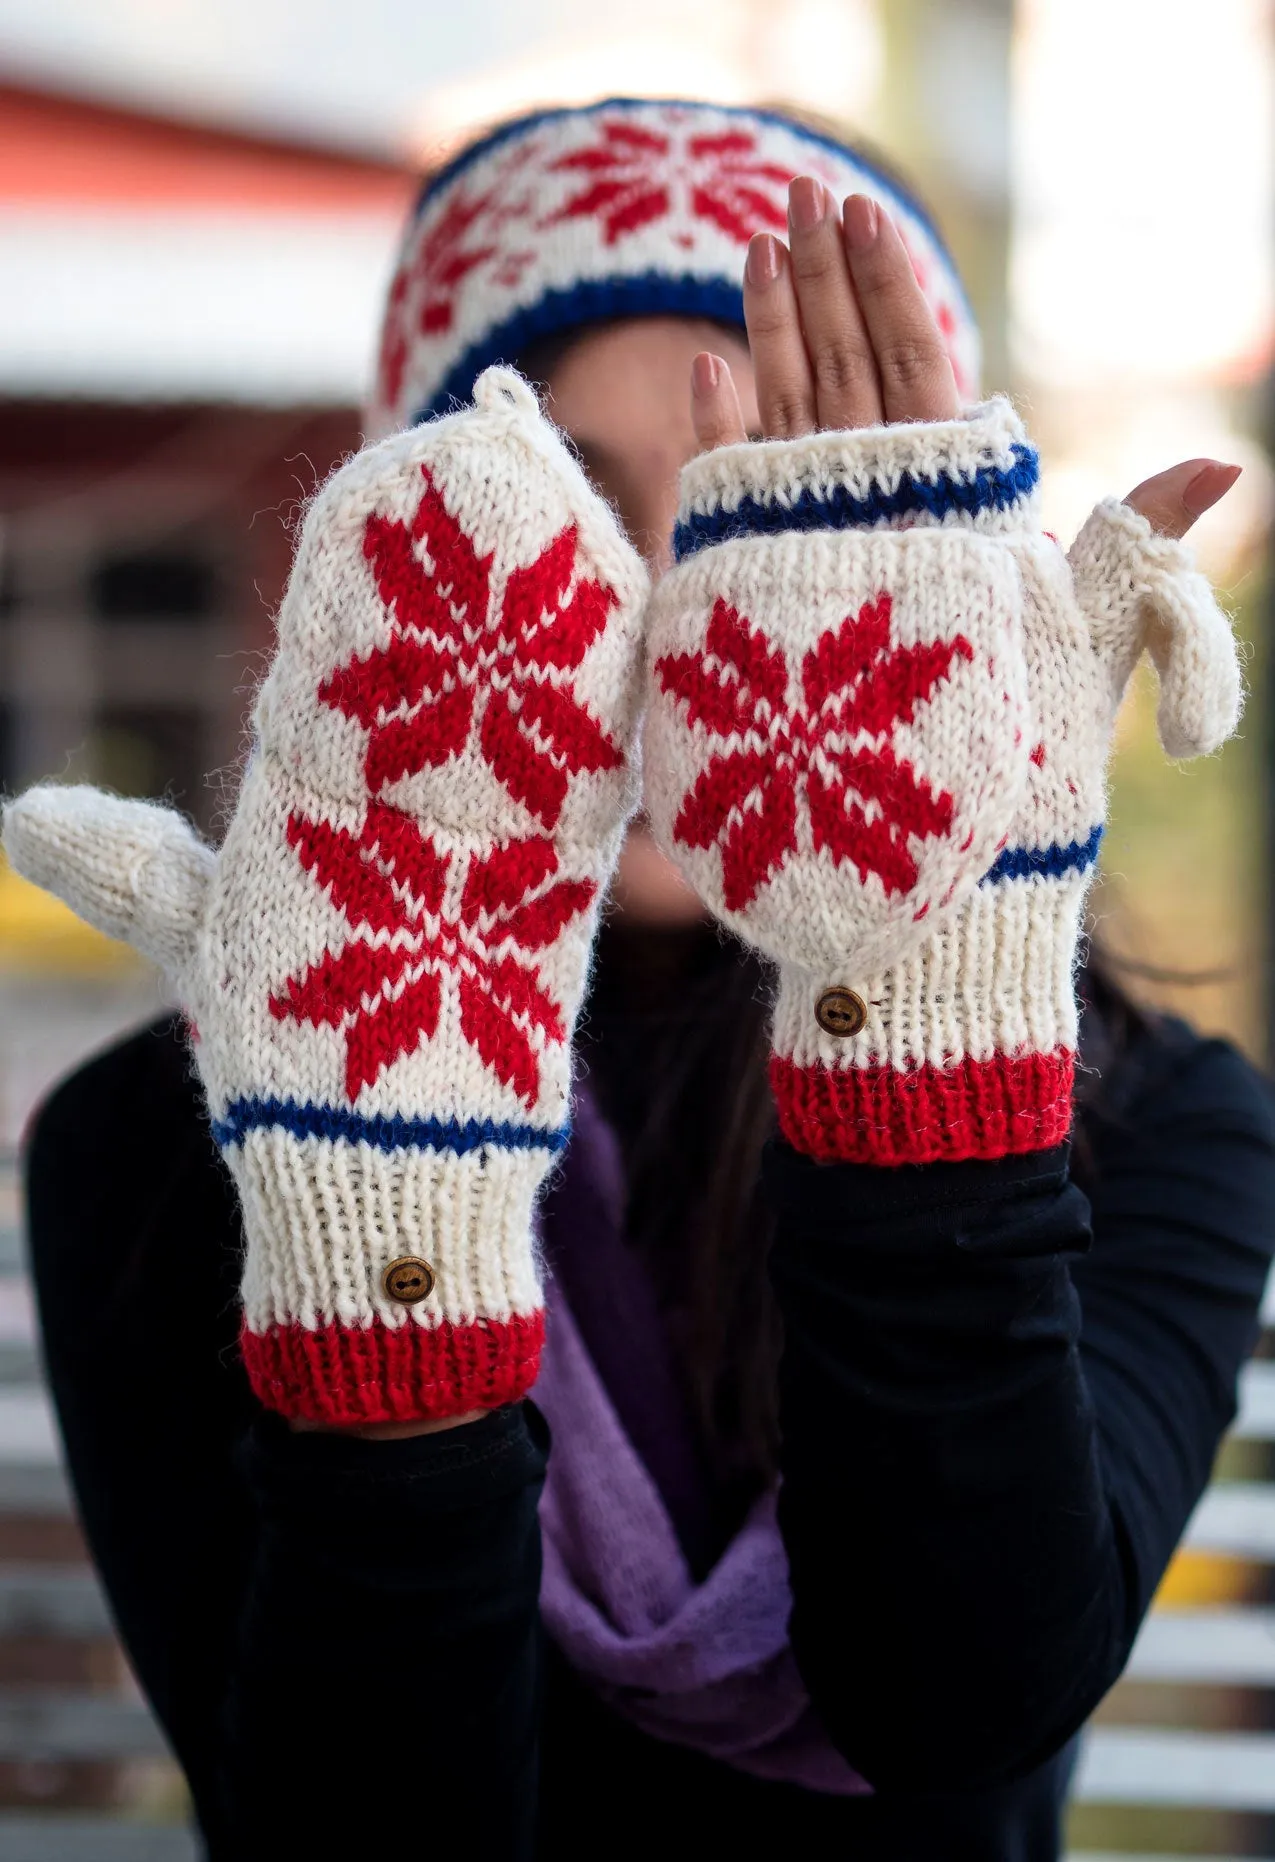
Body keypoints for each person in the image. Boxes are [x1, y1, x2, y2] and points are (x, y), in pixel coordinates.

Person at [6, 99, 1274, 1862]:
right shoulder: (171, 1133)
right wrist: (389, 1201)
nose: (688, 614)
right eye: (581, 520)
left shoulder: (1149, 1118)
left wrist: (912, 996)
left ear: (945, 584)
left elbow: (960, 1699)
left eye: (768, 508)